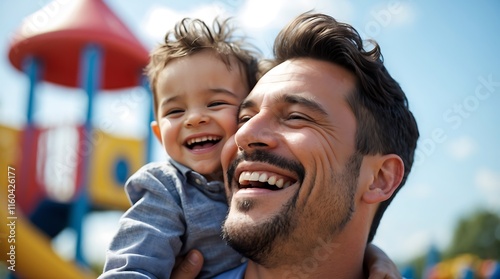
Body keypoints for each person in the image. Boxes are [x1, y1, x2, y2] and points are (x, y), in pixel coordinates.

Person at [101, 15, 405, 279]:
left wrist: (371, 255)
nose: (246, 134)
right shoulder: (166, 188)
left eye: (296, 117)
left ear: (380, 177)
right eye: (246, 117)